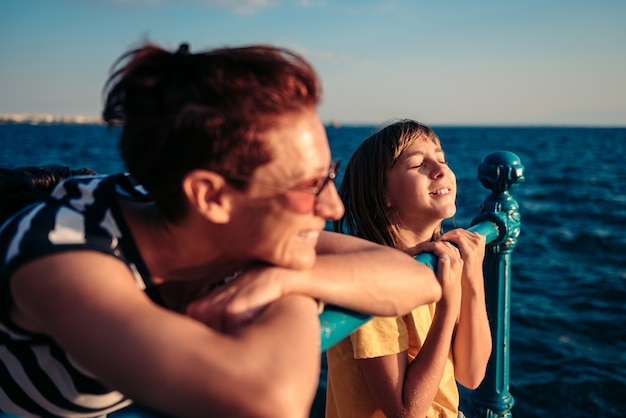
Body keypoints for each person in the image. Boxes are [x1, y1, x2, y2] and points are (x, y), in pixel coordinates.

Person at [0, 45, 442, 418]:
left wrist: (287, 277)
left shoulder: (221, 223)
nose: (333, 205)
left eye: (331, 174)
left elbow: (417, 279)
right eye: (310, 184)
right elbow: (272, 398)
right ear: (210, 197)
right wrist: (299, 291)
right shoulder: (64, 265)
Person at [325, 120, 492, 418]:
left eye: (442, 159)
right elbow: (407, 413)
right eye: (418, 164)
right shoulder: (375, 283)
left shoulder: (440, 265)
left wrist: (473, 275)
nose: (440, 170)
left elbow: (472, 374)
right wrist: (449, 303)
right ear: (383, 194)